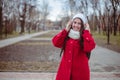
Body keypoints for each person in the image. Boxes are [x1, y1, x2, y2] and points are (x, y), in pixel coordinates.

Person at [52, 13, 96, 80]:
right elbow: (55, 42)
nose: (76, 25)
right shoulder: (66, 35)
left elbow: (89, 47)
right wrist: (66, 30)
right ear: (71, 23)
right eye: (75, 22)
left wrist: (87, 32)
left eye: (79, 23)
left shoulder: (85, 36)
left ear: (83, 25)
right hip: (65, 71)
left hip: (80, 73)